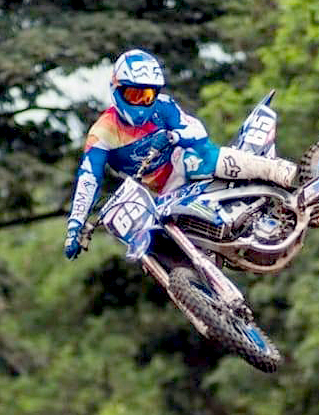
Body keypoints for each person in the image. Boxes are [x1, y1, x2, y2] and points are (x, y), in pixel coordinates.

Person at [64, 48, 297, 259]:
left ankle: (278, 171)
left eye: (147, 96)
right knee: (163, 232)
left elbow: (197, 131)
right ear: (117, 90)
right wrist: (75, 225)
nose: (141, 104)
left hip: (185, 165)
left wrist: (173, 136)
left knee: (195, 158)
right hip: (161, 194)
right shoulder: (102, 133)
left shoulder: (164, 106)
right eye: (134, 95)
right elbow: (89, 178)